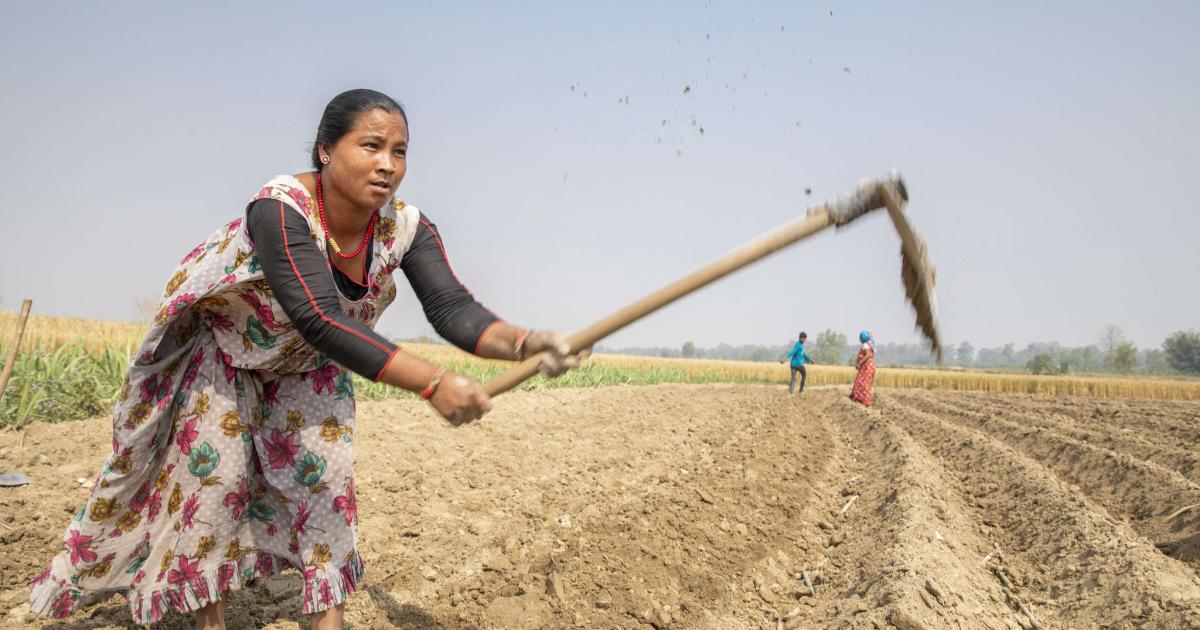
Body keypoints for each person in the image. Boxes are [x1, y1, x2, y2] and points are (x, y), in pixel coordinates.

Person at [29, 89, 588, 629]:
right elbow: (320, 316)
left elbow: (452, 309)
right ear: (326, 150)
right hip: (225, 350)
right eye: (371, 146)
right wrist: (432, 382)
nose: (388, 165)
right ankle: (210, 620)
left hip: (307, 362)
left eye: (400, 151)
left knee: (324, 484)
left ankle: (328, 621)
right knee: (216, 484)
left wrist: (526, 342)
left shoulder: (405, 229)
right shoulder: (281, 209)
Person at [851, 330, 876, 406]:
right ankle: (861, 398)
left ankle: (863, 400)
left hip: (866, 367)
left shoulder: (865, 345)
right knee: (863, 382)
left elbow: (868, 355)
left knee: (862, 383)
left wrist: (859, 363)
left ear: (862, 338)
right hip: (868, 366)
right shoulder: (869, 344)